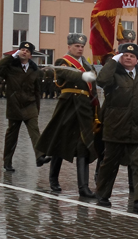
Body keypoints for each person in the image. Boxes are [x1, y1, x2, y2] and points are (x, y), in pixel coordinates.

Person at [35, 34, 98, 197]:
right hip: (68, 105)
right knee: (59, 143)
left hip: (84, 107)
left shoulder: (87, 64)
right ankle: (53, 179)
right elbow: (65, 74)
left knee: (83, 145)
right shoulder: (63, 62)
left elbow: (94, 87)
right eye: (76, 46)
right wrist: (82, 75)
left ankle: (83, 187)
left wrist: (95, 107)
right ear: (69, 47)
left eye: (82, 46)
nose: (80, 48)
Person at [94, 43, 138, 214]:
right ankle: (103, 195)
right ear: (119, 58)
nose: (128, 58)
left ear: (137, 60)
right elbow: (102, 80)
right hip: (116, 127)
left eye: (132, 56)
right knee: (110, 163)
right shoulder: (113, 75)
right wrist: (112, 61)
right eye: (124, 55)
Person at [0, 41, 48, 172]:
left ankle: (40, 156)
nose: (24, 51)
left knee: (35, 130)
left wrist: (37, 109)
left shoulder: (35, 70)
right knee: (12, 135)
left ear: (30, 55)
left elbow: (37, 91)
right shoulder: (11, 67)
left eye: (27, 51)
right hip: (15, 105)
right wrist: (11, 57)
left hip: (30, 105)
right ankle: (7, 161)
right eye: (22, 49)